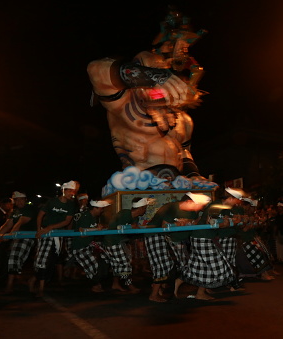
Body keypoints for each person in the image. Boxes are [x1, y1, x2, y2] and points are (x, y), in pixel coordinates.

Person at [87, 9, 207, 182]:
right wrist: (155, 76)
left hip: (176, 186)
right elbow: (95, 69)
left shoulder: (184, 121)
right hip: (138, 185)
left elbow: (184, 152)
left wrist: (193, 174)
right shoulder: (124, 104)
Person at [176, 189, 243, 300]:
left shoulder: (223, 207)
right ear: (230, 199)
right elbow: (211, 222)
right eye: (236, 200)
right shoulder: (217, 205)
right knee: (217, 265)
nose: (236, 203)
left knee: (200, 267)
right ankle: (200, 293)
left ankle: (189, 288)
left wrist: (228, 222)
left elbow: (221, 222)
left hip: (204, 237)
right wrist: (227, 223)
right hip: (202, 237)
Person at [146, 192, 211, 302]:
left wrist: (192, 222)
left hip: (175, 238)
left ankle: (164, 286)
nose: (199, 207)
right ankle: (154, 294)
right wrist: (178, 224)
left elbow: (194, 223)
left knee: (184, 263)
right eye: (197, 204)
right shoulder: (170, 208)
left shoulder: (193, 212)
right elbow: (164, 226)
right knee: (162, 265)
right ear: (189, 202)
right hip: (155, 235)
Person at [30, 180, 77, 297]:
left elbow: (67, 221)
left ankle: (36, 280)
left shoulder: (71, 205)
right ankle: (40, 287)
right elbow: (40, 215)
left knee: (53, 258)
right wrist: (39, 230)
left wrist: (51, 227)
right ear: (64, 191)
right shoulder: (52, 202)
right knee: (43, 258)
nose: (72, 193)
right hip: (46, 233)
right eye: (70, 191)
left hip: (57, 234)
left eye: (73, 191)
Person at [102, 197, 153, 294]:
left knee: (117, 264)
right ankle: (129, 285)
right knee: (125, 263)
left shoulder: (135, 218)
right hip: (112, 241)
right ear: (141, 208)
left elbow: (133, 230)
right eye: (145, 208)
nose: (145, 210)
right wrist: (131, 227)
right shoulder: (125, 213)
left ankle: (115, 284)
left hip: (119, 241)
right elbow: (116, 226)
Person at [71, 200, 111, 293]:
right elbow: (82, 233)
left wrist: (98, 227)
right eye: (101, 209)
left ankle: (96, 283)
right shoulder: (86, 216)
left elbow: (90, 229)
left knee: (104, 260)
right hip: (80, 246)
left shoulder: (93, 217)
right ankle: (95, 285)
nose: (102, 211)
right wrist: (96, 229)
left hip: (88, 245)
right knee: (95, 266)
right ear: (95, 208)